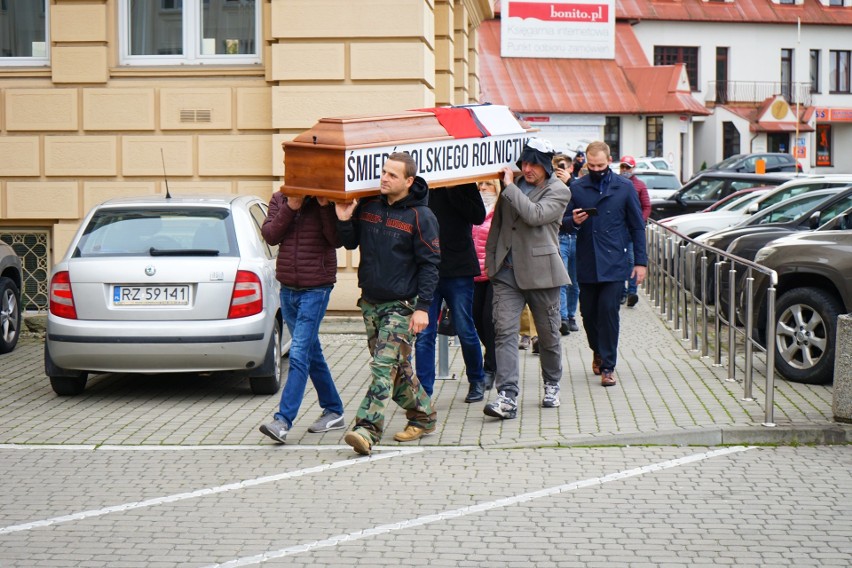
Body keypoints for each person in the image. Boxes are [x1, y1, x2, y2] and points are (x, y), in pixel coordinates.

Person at [334, 152, 439, 455]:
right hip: (370, 302)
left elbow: (431, 265)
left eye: (392, 175)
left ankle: (366, 430)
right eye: (383, 172)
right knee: (397, 367)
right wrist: (343, 219)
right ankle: (424, 416)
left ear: (409, 181)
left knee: (382, 367)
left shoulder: (421, 217)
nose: (384, 178)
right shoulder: (368, 206)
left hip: (402, 305)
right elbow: (351, 242)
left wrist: (423, 308)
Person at [483, 138, 571, 420]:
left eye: (534, 163)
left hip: (542, 273)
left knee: (547, 335)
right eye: (525, 162)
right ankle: (507, 396)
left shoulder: (559, 190)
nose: (528, 168)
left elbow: (535, 215)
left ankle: (552, 382)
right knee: (504, 332)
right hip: (506, 272)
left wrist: (508, 187)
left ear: (546, 165)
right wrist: (491, 263)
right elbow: (499, 224)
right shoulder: (515, 182)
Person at [258, 193, 345, 444]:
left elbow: (335, 239)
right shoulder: (280, 198)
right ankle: (334, 410)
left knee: (297, 354)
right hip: (288, 287)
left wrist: (323, 206)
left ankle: (283, 421)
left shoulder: (326, 200)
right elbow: (271, 235)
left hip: (316, 288)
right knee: (310, 351)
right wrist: (291, 206)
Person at [569, 141, 647, 387]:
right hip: (587, 261)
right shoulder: (577, 187)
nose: (596, 168)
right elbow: (561, 222)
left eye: (600, 165)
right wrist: (573, 221)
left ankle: (608, 367)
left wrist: (641, 263)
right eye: (591, 165)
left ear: (609, 161)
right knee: (589, 315)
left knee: (609, 313)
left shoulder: (624, 187)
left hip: (614, 261)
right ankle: (597, 350)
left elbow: (637, 226)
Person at [415, 182, 486, 403]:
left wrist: (452, 190)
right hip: (427, 268)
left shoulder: (462, 182)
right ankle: (424, 391)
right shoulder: (420, 184)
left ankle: (476, 379)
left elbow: (478, 215)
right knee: (424, 334)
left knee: (465, 328)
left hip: (458, 267)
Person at [471, 179, 499, 391]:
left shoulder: (501, 210)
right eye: (480, 185)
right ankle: (495, 352)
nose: (482, 189)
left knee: (489, 320)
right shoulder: (473, 209)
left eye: (487, 184)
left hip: (494, 275)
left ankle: (490, 367)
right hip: (472, 274)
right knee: (476, 320)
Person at [618, 155, 651, 307]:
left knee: (631, 260)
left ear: (633, 168)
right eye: (623, 167)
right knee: (619, 260)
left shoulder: (640, 185)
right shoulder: (615, 183)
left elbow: (646, 206)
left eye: (628, 167)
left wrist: (638, 221)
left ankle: (632, 292)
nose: (625, 170)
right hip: (617, 229)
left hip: (631, 230)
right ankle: (621, 292)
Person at [553, 154, 580, 335]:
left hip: (576, 237)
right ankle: (562, 318)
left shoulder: (577, 185)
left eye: (562, 167)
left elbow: (583, 203)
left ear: (570, 168)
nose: (558, 171)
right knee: (561, 281)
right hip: (560, 237)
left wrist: (570, 182)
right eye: (555, 167)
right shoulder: (550, 186)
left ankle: (571, 316)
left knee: (575, 282)